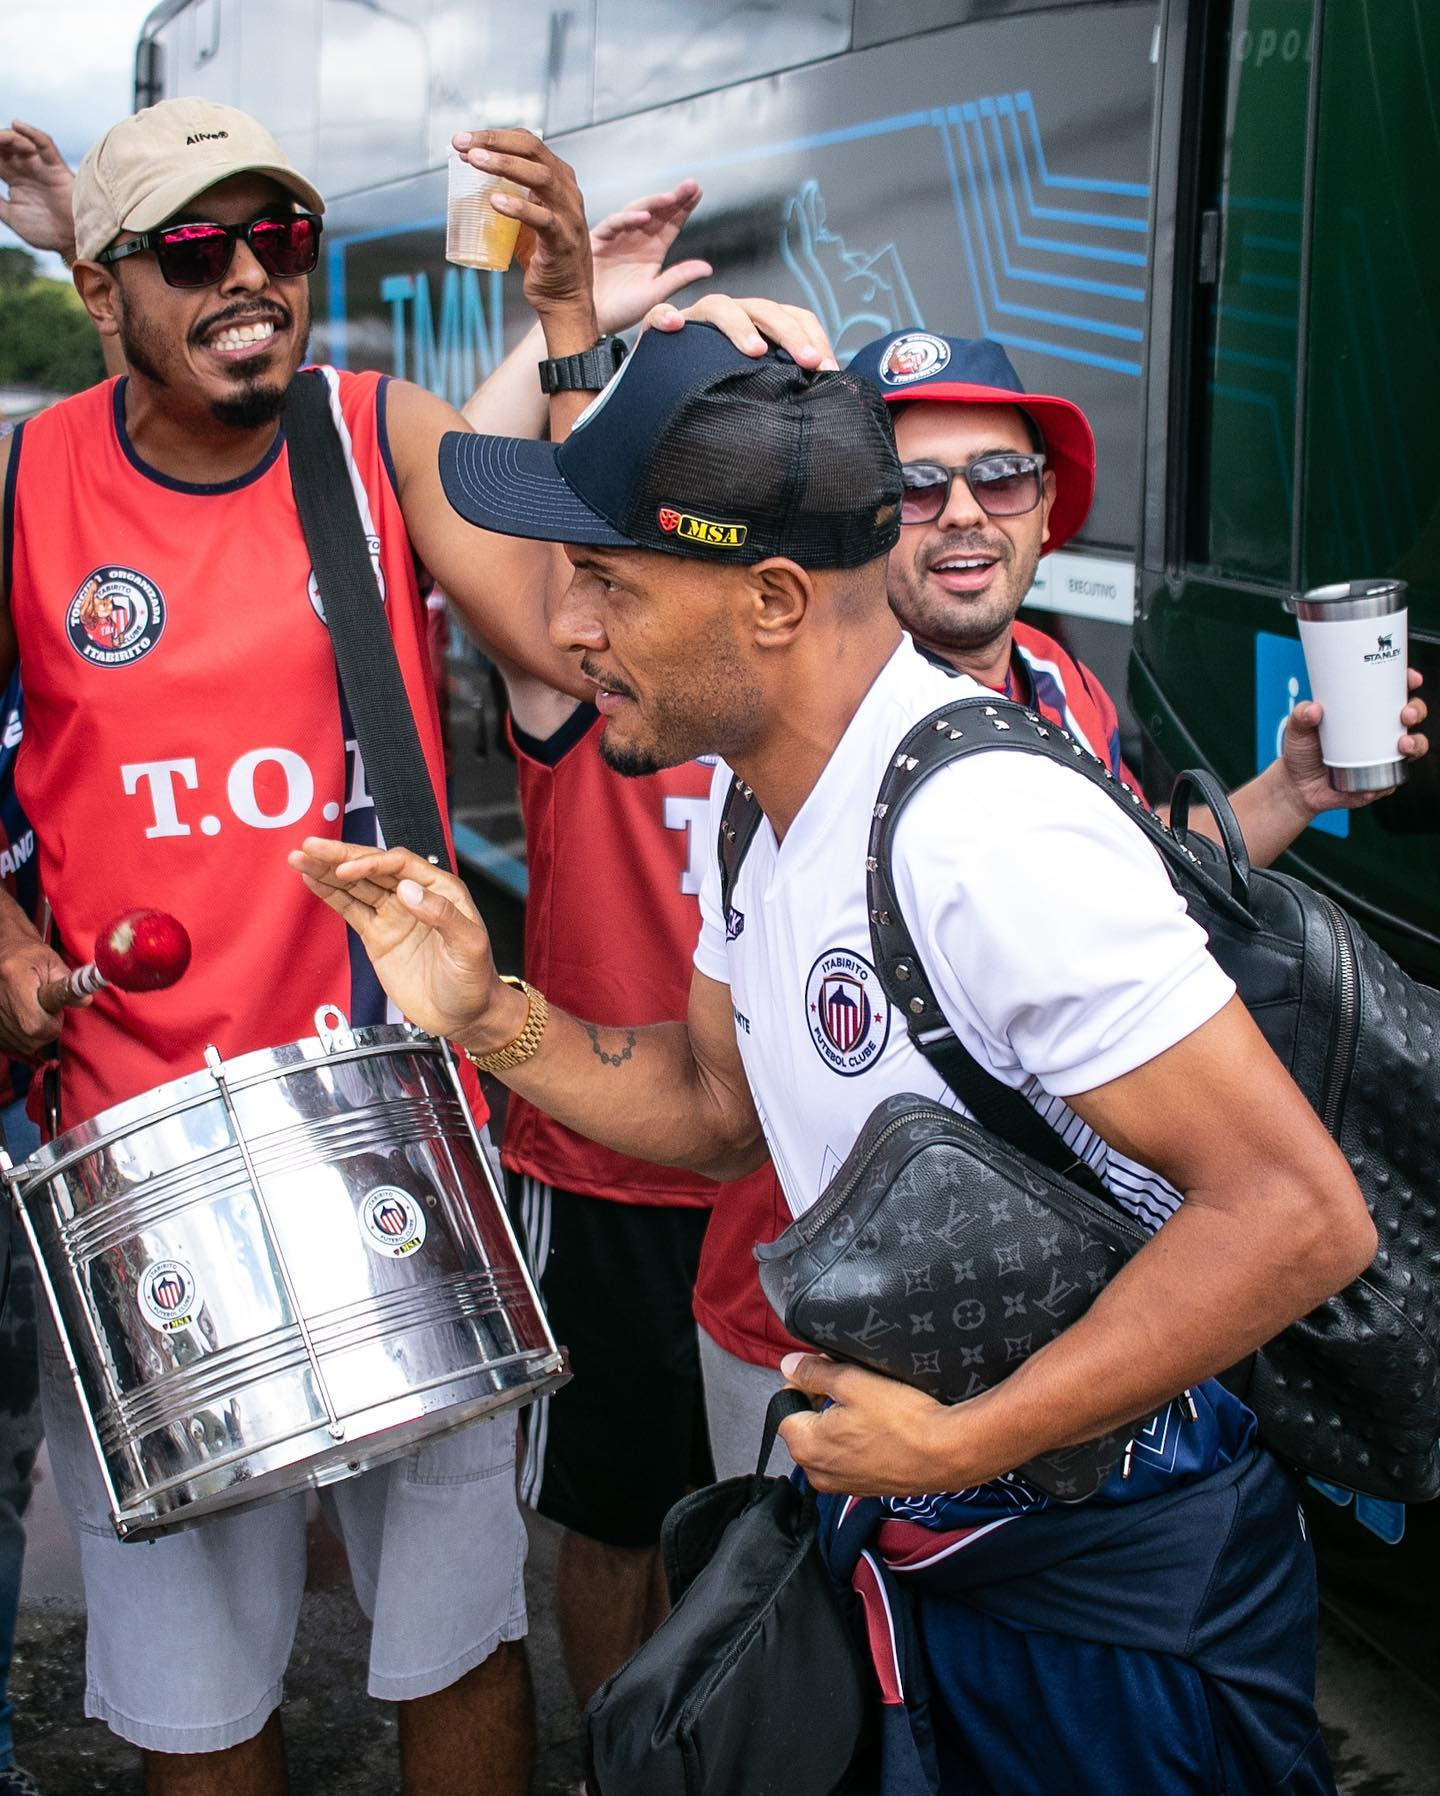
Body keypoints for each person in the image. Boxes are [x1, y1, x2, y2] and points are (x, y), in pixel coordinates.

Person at [293, 317, 1378, 1793]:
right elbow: (717, 1107)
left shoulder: (984, 833)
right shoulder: (764, 804)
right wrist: (492, 1017)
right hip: (934, 1543)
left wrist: (961, 1442)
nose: (576, 631)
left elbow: (1296, 1215)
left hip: (1113, 1597)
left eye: (611, 584)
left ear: (778, 598)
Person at [0, 97, 735, 1796]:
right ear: (105, 298)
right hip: (137, 1164)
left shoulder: (371, 430)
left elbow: (573, 640)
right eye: (195, 250)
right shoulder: (30, 482)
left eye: (280, 240)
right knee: (200, 1701)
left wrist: (570, 326)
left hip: (398, 1137)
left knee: (457, 1648)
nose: (250, 275)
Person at [671, 314, 1428, 1454]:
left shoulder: (1057, 681)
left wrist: (1286, 789)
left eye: (1002, 474)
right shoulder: (797, 732)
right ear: (853, 527)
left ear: (1041, 504)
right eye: (916, 486)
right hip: (827, 1341)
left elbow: (1119, 887)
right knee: (815, 1629)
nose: (967, 511)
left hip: (1066, 1330)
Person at [456, 206, 793, 1710]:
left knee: (769, 1532)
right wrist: (566, 325)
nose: (596, 601)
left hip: (778, 1170)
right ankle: (622, 1753)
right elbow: (456, 501)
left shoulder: (789, 688)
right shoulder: (580, 675)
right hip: (604, 1169)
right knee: (608, 1528)